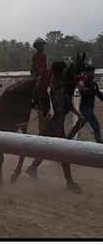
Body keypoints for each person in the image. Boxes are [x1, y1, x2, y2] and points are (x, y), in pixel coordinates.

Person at [26, 61, 84, 193]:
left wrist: (77, 113)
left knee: (46, 150)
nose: (64, 73)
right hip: (54, 125)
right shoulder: (52, 87)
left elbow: (67, 103)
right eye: (63, 71)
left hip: (56, 125)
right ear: (60, 71)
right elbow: (54, 108)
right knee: (64, 153)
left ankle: (32, 168)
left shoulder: (59, 86)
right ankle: (69, 182)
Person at [68, 65, 103, 143]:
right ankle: (99, 143)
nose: (93, 74)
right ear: (87, 73)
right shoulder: (84, 82)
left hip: (88, 109)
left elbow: (99, 95)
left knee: (79, 126)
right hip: (85, 109)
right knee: (96, 126)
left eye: (93, 72)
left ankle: (68, 138)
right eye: (91, 72)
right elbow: (83, 92)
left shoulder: (93, 84)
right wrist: (91, 89)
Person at [31, 38, 50, 133]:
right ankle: (36, 103)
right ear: (38, 47)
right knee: (37, 86)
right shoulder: (35, 56)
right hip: (37, 77)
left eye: (43, 45)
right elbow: (36, 69)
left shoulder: (44, 56)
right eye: (41, 45)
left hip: (44, 77)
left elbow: (45, 68)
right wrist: (41, 73)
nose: (43, 47)